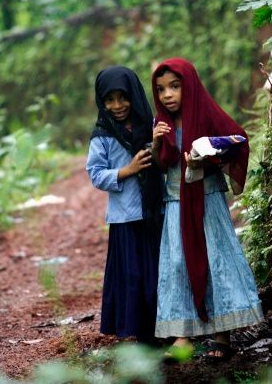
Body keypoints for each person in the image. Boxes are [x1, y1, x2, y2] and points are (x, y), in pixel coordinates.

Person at [151, 57, 263, 360]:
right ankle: (182, 336)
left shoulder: (205, 115)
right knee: (178, 264)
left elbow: (238, 140)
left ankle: (221, 333)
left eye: (175, 86)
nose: (168, 95)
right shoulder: (161, 124)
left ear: (190, 85)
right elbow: (161, 165)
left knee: (216, 260)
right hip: (176, 202)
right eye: (161, 90)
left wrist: (207, 155)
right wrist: (156, 142)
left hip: (207, 201)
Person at [86, 66, 164, 344]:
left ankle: (164, 327)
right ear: (101, 101)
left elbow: (168, 160)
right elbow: (95, 173)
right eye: (109, 99)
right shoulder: (103, 134)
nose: (117, 106)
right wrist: (127, 170)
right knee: (132, 274)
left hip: (156, 212)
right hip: (125, 217)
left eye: (123, 97)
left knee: (158, 270)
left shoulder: (152, 125)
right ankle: (138, 331)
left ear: (134, 95)